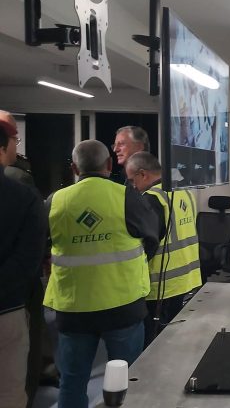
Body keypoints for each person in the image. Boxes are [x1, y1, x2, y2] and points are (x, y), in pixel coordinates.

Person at [44, 140, 159, 407]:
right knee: (129, 379)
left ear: (75, 168)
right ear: (109, 165)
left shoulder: (54, 201)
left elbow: (40, 246)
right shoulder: (127, 197)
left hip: (73, 308)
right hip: (123, 304)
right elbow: (152, 237)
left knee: (72, 381)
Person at [125, 151, 201, 346]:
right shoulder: (184, 192)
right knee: (176, 340)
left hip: (162, 286)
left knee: (155, 344)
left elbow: (148, 243)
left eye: (132, 180)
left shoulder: (152, 198)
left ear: (143, 174)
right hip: (188, 279)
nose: (133, 186)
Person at [0, 112, 46, 408]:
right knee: (9, 393)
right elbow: (28, 259)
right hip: (7, 310)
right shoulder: (22, 195)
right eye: (14, 140)